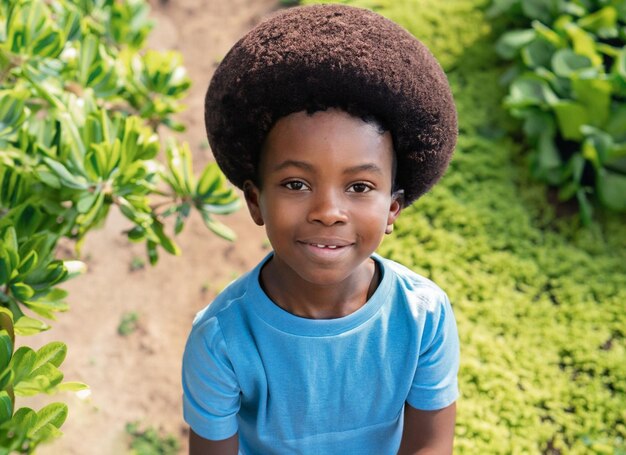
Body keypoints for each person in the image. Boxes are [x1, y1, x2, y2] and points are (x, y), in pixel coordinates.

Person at [182, 4, 460, 454]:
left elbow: (430, 444)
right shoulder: (221, 340)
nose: (328, 211)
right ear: (256, 201)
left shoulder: (423, 318)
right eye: (296, 183)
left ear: (392, 208)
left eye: (359, 186)